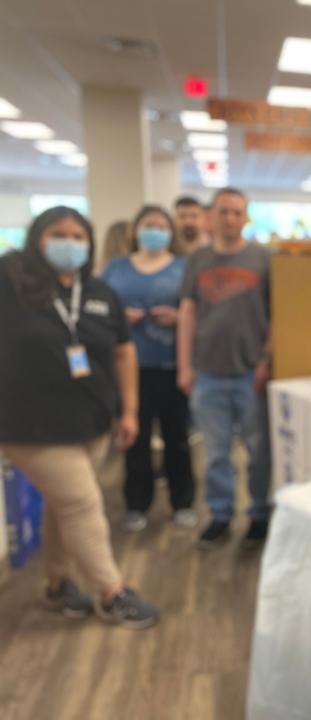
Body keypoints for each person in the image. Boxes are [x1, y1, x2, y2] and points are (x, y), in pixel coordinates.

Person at [0, 206, 160, 628]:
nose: (69, 243)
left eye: (78, 236)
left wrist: (129, 410)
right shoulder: (11, 281)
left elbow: (124, 352)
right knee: (82, 504)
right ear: (37, 237)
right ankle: (111, 593)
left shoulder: (100, 293)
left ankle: (57, 585)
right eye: (59, 234)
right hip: (30, 425)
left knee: (63, 506)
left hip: (91, 422)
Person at [177, 187, 272, 548]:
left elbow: (276, 314)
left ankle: (259, 513)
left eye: (236, 212)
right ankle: (219, 514)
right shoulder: (198, 259)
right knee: (215, 452)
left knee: (258, 451)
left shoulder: (262, 258)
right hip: (207, 374)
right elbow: (188, 313)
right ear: (210, 217)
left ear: (245, 217)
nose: (229, 218)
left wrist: (266, 360)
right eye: (223, 211)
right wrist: (185, 366)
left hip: (251, 373)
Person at [102, 205, 195, 532]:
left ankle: (182, 502)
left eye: (161, 225)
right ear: (135, 230)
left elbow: (196, 312)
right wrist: (118, 318)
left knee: (177, 438)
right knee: (134, 439)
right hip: (129, 370)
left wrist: (176, 317)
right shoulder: (115, 268)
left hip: (172, 367)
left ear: (171, 232)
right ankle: (136, 504)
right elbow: (98, 308)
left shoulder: (184, 267)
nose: (154, 230)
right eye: (148, 224)